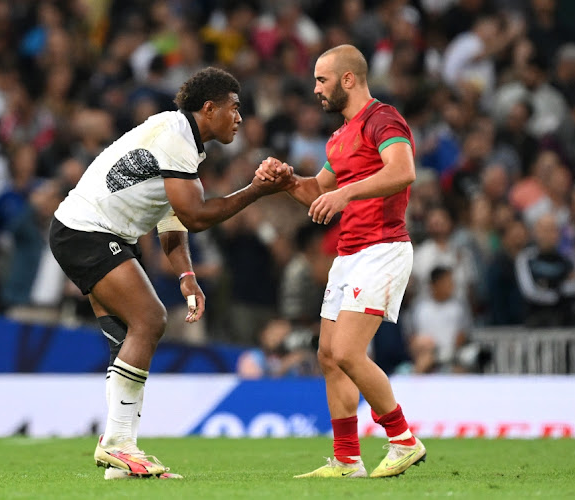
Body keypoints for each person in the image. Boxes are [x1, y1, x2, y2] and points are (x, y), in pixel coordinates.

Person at [49, 67, 292, 480]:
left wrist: (186, 276)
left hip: (88, 231)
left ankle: (120, 462)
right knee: (151, 318)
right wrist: (256, 191)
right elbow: (196, 215)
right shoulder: (177, 138)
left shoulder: (179, 138)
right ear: (208, 107)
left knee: (127, 339)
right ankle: (118, 445)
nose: (239, 118)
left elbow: (172, 218)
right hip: (87, 231)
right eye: (234, 108)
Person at [256, 44, 426, 479]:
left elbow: (403, 170)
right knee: (329, 355)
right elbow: (318, 193)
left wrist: (345, 193)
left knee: (349, 352)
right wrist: (288, 180)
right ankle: (348, 459)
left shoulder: (382, 119)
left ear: (348, 79)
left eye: (321, 79)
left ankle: (403, 439)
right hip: (349, 253)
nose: (315, 89)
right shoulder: (340, 136)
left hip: (382, 247)